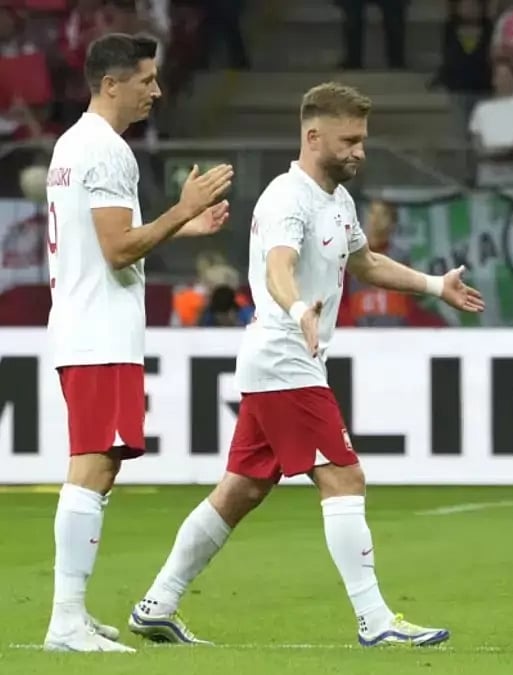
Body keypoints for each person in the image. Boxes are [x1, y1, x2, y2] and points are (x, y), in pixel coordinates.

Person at [127, 82, 485, 647]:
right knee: (344, 476)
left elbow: (364, 261)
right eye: (349, 140)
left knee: (238, 492)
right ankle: (375, 620)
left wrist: (433, 285)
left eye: (363, 140)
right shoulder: (285, 199)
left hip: (286, 360)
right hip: (285, 356)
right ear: (313, 136)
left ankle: (158, 602)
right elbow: (278, 264)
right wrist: (297, 307)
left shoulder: (336, 201)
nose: (360, 151)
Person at [42, 33, 233, 653]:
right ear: (111, 83)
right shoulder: (107, 151)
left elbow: (110, 244)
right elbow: (118, 248)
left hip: (86, 321)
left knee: (101, 466)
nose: (156, 90)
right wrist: (181, 210)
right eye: (147, 79)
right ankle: (65, 619)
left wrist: (180, 227)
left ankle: (71, 614)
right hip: (98, 329)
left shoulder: (74, 145)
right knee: (93, 465)